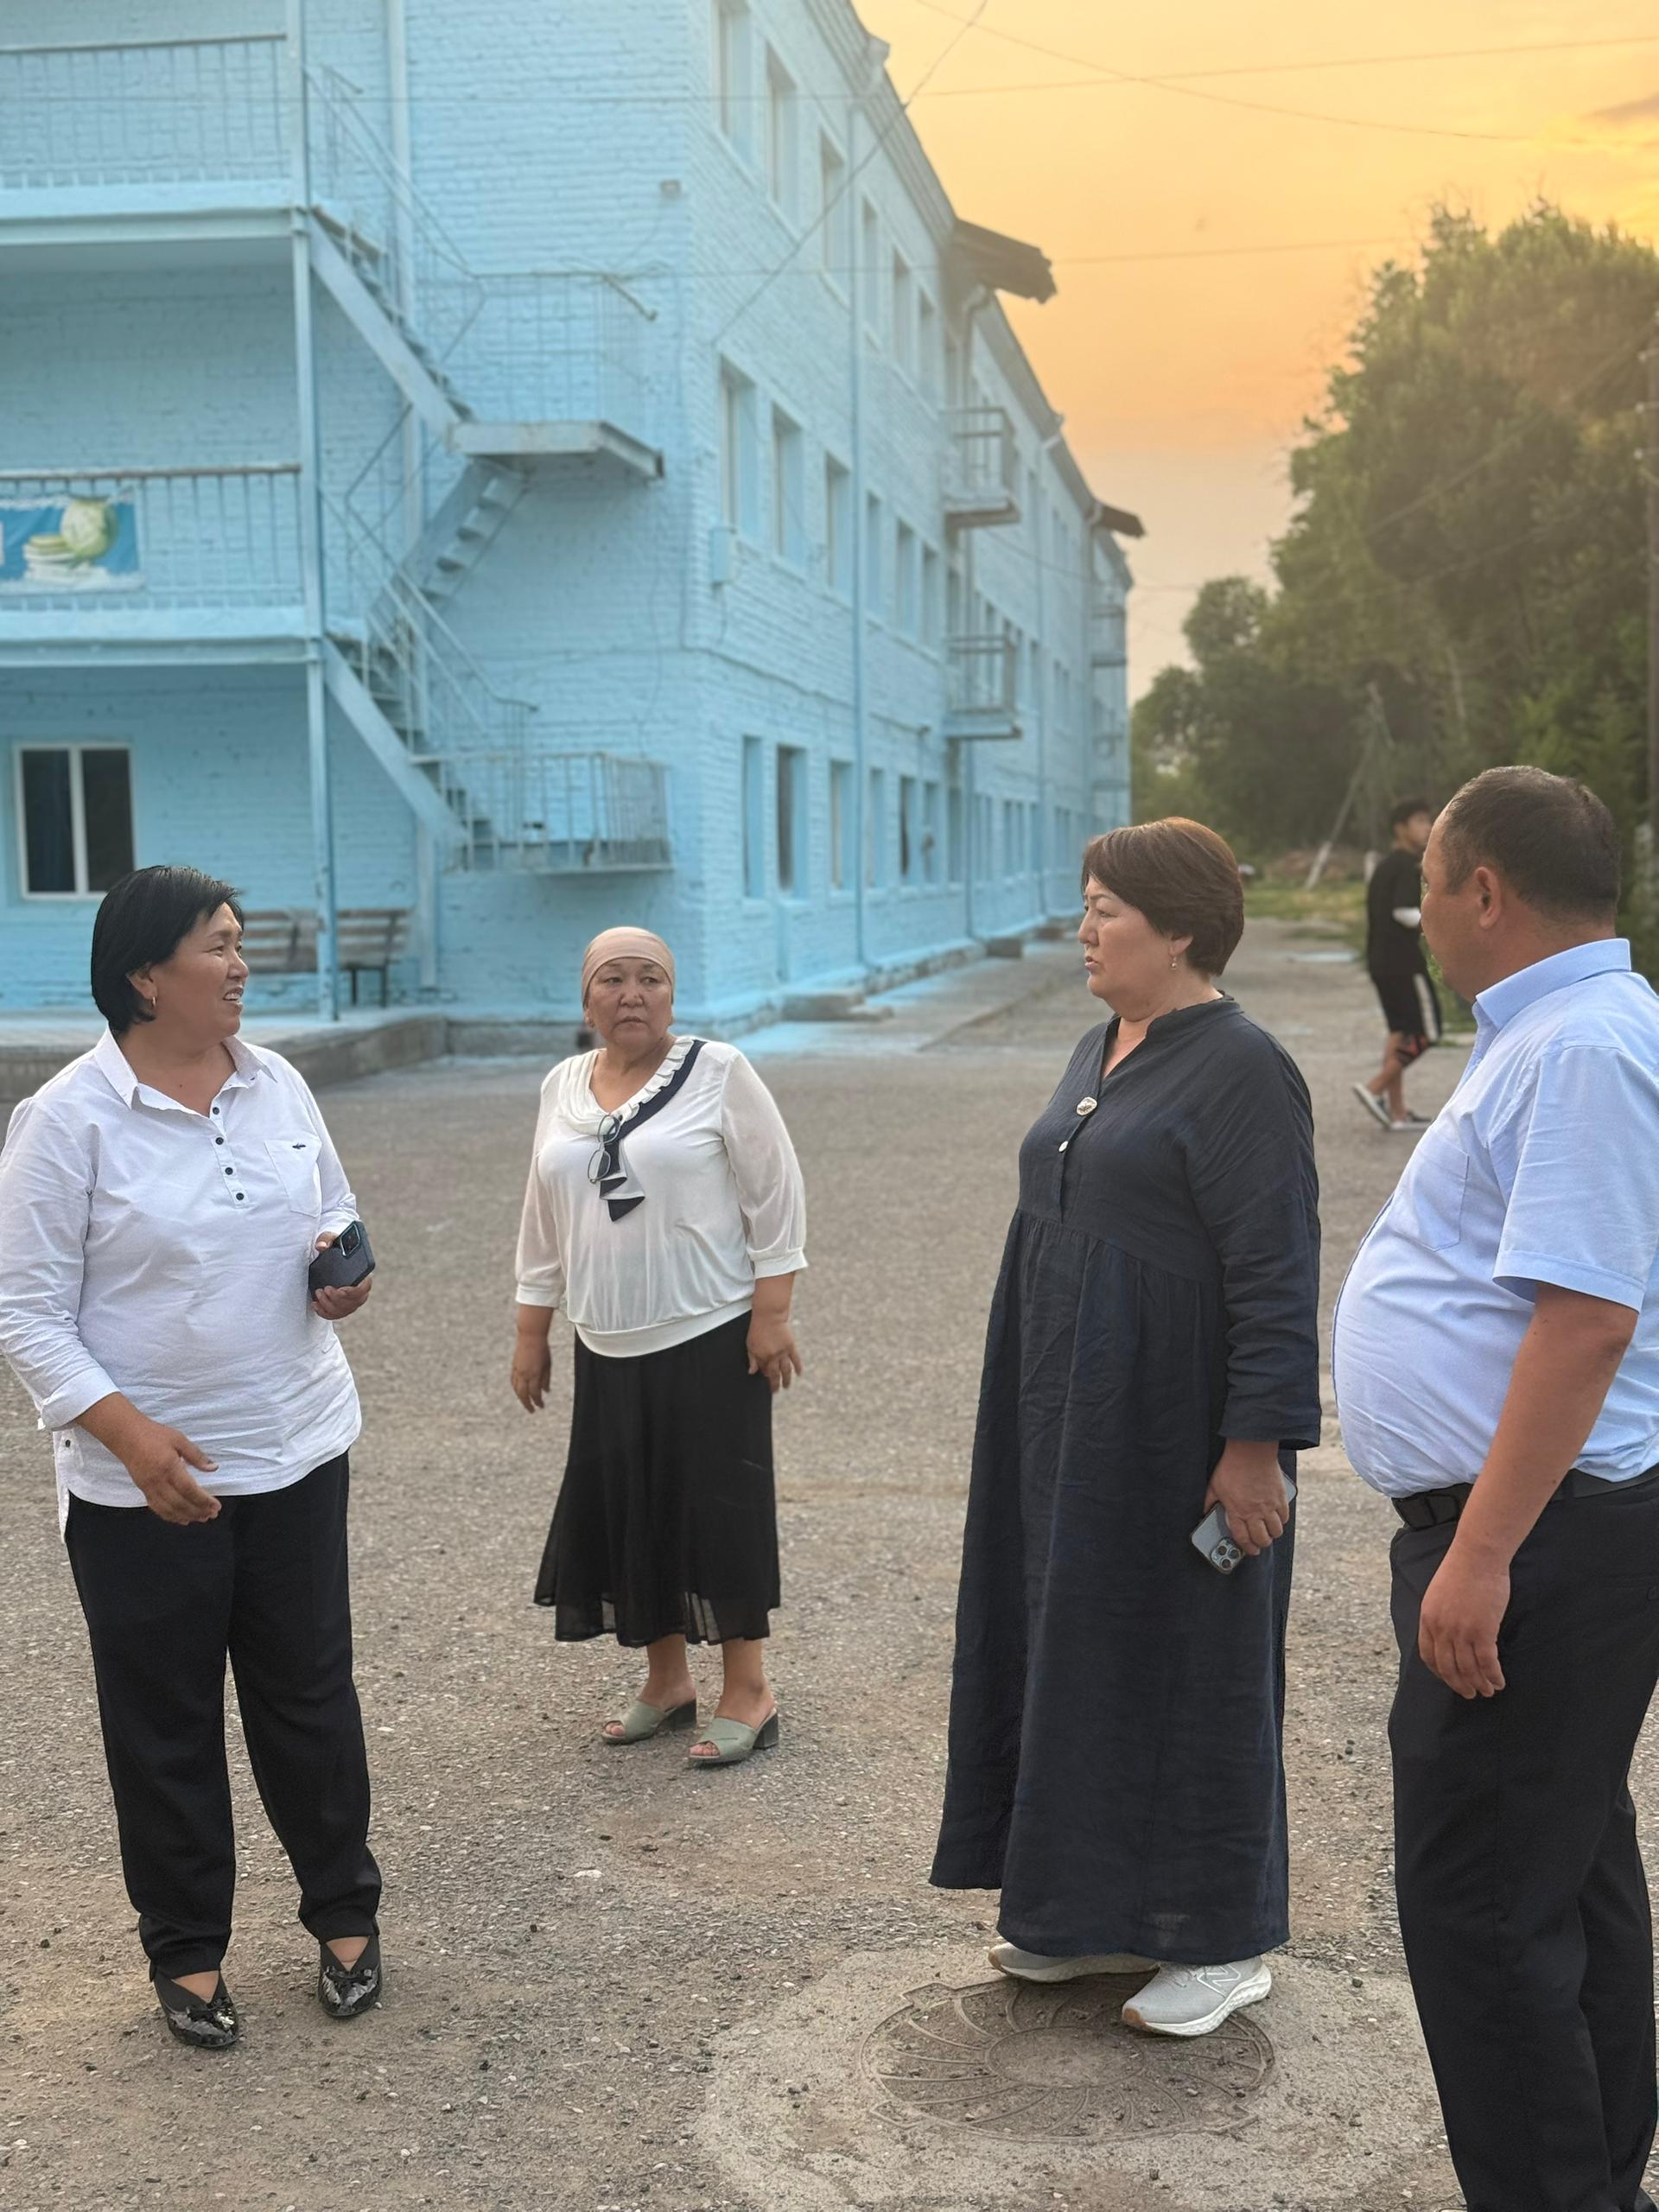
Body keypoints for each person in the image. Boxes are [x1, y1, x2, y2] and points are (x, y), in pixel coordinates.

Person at [931, 820, 1321, 2038]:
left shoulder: (1246, 1067)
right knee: (1077, 1649)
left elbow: (1275, 1272)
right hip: (1066, 1421)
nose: (1084, 929)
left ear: (1182, 928)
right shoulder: (1100, 1043)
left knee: (1196, 1667)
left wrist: (1254, 1447)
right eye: (1086, 905)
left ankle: (1222, 1939)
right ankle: (1089, 1912)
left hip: (1174, 1426)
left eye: (1106, 909)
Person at [1333, 767, 1659, 2212]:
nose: (1419, 915)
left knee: (1483, 1909)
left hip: (1534, 1535)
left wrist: (1479, 1553)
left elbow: (1585, 1323)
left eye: (1427, 888)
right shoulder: (1563, 1030)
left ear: (1483, 891)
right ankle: (1598, 2178)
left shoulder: (1581, 1044)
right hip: (1546, 1525)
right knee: (1564, 1878)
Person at [0, 867, 383, 2051]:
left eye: (238, 940)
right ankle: (187, 1949)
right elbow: (25, 1311)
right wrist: (128, 1434)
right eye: (217, 944)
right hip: (144, 1490)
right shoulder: (67, 1119)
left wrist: (340, 1266)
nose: (240, 964)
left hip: (296, 1447)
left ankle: (346, 1914)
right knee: (164, 1721)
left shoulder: (277, 1083)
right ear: (143, 973)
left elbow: (330, 1208)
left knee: (309, 1696)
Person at [511, 926, 806, 1769]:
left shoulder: (719, 1071)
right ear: (586, 998)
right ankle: (667, 1682)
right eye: (612, 979)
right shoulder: (562, 1085)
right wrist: (532, 1328)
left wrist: (773, 1311)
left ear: (673, 994)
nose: (631, 994)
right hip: (605, 1338)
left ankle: (749, 1689)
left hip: (709, 1330)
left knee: (718, 1511)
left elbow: (775, 1190)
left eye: (650, 978)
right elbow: (542, 1213)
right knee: (633, 1509)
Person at [1353, 796, 1440, 1132]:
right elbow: (1403, 911)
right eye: (1419, 821)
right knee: (1427, 1032)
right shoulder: (1406, 865)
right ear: (1400, 828)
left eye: (1428, 821)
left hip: (1381, 962)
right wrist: (1436, 925)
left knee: (1400, 1032)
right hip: (1403, 963)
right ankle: (1375, 1088)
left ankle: (1398, 1112)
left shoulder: (1385, 866)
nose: (1427, 827)